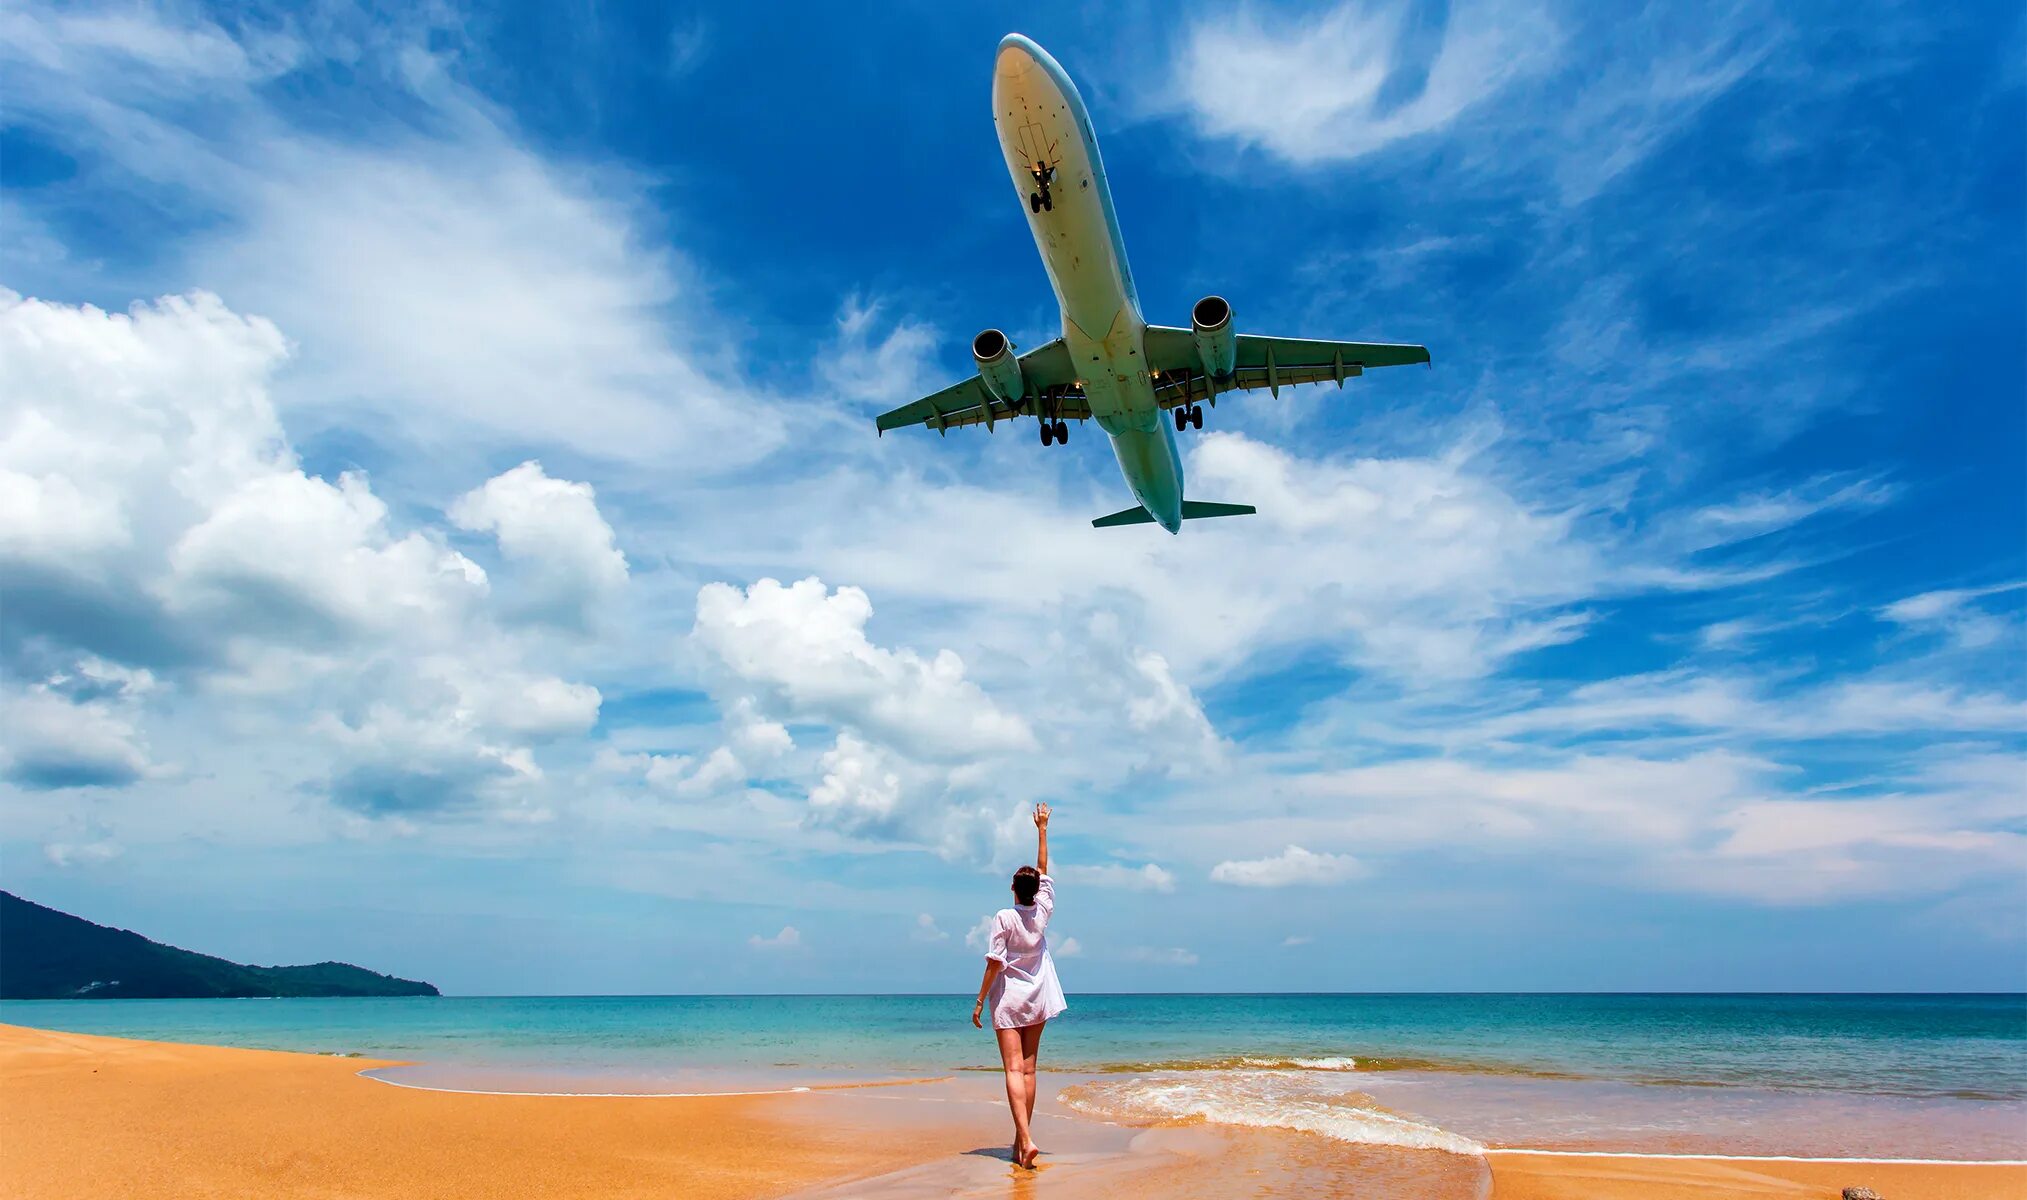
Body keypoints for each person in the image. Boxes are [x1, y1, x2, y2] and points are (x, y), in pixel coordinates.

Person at [971, 803, 1066, 1170]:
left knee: (1012, 1070)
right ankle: (1019, 1140)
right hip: (1039, 995)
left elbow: (995, 963)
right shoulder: (1041, 912)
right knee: (1029, 1070)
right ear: (1035, 891)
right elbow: (1043, 871)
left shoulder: (1004, 917)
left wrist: (980, 1001)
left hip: (1010, 1000)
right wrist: (1042, 829)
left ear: (1013, 888)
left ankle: (1025, 1139)